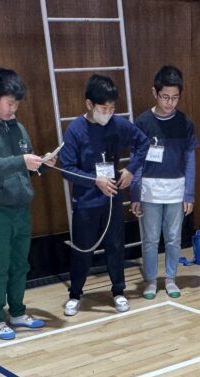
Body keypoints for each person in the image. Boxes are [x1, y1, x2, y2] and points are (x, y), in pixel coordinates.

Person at [0, 67, 52, 340]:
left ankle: (17, 312)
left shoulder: (18, 127)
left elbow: (25, 166)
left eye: (16, 104)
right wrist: (21, 161)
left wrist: (43, 164)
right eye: (9, 103)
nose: (13, 109)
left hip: (21, 206)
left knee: (20, 265)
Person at [59, 74, 150, 316]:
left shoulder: (118, 124)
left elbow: (143, 143)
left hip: (112, 200)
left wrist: (131, 169)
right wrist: (94, 180)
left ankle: (118, 291)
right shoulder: (75, 130)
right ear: (89, 104)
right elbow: (66, 169)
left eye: (112, 108)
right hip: (86, 202)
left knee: (116, 247)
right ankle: (75, 294)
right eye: (103, 108)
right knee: (83, 250)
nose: (107, 113)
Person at [131, 65, 198, 300]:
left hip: (176, 190)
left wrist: (189, 193)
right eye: (165, 97)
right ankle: (151, 280)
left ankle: (170, 278)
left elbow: (190, 160)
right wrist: (135, 193)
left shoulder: (185, 122)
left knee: (173, 238)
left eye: (175, 97)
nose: (170, 102)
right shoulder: (143, 122)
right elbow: (136, 160)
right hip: (149, 190)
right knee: (150, 239)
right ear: (155, 93)